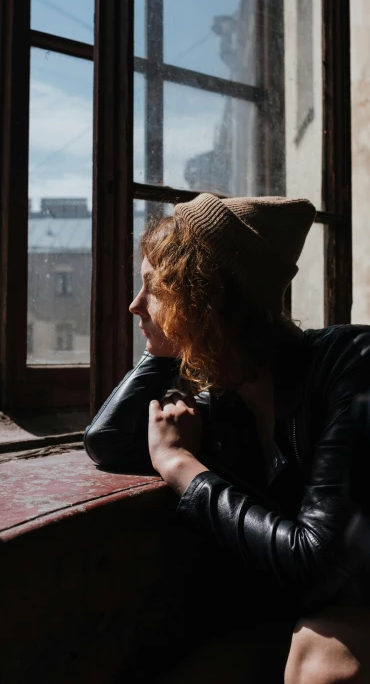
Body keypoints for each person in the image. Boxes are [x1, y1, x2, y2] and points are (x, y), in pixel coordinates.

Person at [84, 193, 370, 683]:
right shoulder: (224, 395)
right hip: (291, 608)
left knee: (322, 668)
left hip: (352, 595)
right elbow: (107, 441)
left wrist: (181, 467)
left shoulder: (352, 363)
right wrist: (177, 340)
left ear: (205, 296)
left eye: (154, 290)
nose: (134, 306)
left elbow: (321, 564)